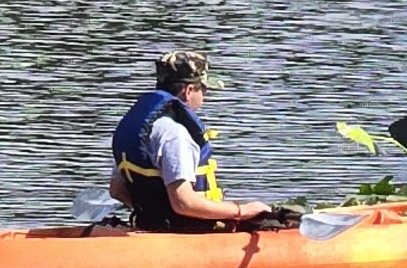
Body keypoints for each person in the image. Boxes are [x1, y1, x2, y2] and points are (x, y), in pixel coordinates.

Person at [109, 50, 296, 234]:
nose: (204, 97)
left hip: (149, 226)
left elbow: (117, 190)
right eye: (204, 90)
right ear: (189, 90)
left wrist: (152, 213)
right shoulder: (176, 135)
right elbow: (183, 203)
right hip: (185, 232)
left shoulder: (135, 126)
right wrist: (241, 211)